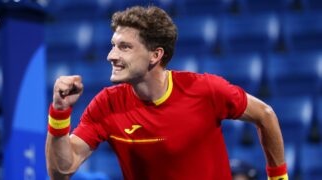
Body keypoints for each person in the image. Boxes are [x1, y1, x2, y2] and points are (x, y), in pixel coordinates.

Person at [45, 5, 288, 180]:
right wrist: (60, 112)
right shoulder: (107, 104)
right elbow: (62, 171)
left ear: (155, 55)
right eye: (113, 46)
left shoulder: (205, 89)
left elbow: (265, 114)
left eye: (124, 47)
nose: (111, 55)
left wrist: (278, 177)